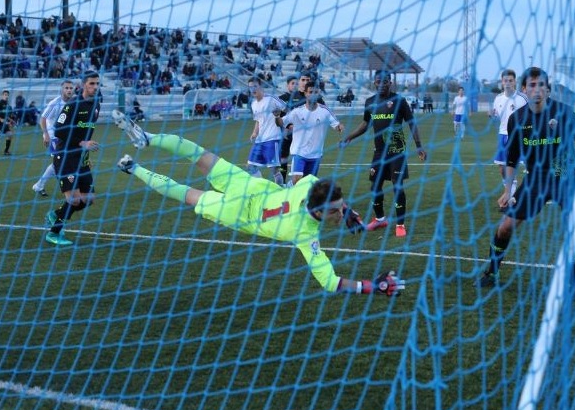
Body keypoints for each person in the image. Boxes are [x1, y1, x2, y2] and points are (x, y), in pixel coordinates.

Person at [110, 109, 405, 297]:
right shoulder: (304, 234)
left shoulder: (313, 185)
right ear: (318, 211)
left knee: (197, 154)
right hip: (238, 213)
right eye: (336, 210)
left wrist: (347, 210)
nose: (340, 214)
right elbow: (330, 282)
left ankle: (148, 138)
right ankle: (133, 167)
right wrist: (371, 286)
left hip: (247, 185)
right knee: (186, 193)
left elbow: (317, 186)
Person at [475, 66, 575, 288]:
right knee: (505, 226)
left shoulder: (564, 112)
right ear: (524, 89)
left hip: (565, 175)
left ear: (548, 89)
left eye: (542, 85)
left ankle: (574, 279)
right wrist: (508, 190)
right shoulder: (516, 120)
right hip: (536, 179)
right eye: (532, 85)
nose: (538, 89)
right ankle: (492, 272)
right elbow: (511, 160)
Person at [340, 69, 427, 239]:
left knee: (397, 186)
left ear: (390, 83)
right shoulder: (370, 102)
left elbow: (412, 123)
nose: (381, 84)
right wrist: (349, 137)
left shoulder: (399, 101)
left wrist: (419, 146)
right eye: (378, 81)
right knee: (375, 187)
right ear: (374, 83)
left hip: (397, 151)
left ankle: (400, 225)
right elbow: (366, 124)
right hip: (379, 152)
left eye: (385, 81)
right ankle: (380, 219)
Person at [44, 72, 102, 246]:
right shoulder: (73, 104)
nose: (95, 87)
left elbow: (87, 131)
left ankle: (56, 214)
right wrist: (82, 142)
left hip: (81, 158)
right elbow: (59, 130)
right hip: (66, 156)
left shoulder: (96, 105)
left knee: (89, 199)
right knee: (74, 199)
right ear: (84, 84)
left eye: (97, 84)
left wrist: (86, 153)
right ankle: (53, 233)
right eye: (91, 83)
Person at [275, 81, 344, 185]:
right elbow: (281, 122)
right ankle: (291, 189)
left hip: (316, 154)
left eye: (316, 92)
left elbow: (336, 124)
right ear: (305, 93)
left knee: (309, 184)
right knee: (297, 181)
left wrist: (340, 127)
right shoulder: (297, 111)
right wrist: (276, 116)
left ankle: (290, 188)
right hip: (299, 152)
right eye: (310, 92)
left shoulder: (325, 111)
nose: (313, 95)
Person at [490, 69, 527, 204]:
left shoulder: (522, 99)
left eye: (510, 80)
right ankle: (511, 189)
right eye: (505, 80)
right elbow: (497, 115)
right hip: (503, 136)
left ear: (515, 82)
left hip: (519, 136)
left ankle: (537, 190)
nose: (508, 83)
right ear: (502, 82)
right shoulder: (498, 99)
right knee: (501, 167)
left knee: (527, 165)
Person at [32, 80, 74, 198]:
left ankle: (39, 186)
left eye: (71, 88)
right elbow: (43, 119)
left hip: (66, 137)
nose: (69, 90)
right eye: (66, 88)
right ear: (62, 90)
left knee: (60, 163)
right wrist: (46, 134)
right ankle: (68, 185)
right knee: (60, 163)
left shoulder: (73, 102)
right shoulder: (55, 103)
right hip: (54, 137)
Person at [247, 76, 286, 185]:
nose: (253, 89)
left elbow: (287, 109)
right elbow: (258, 120)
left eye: (255, 86)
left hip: (272, 139)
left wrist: (284, 122)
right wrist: (254, 133)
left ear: (261, 86)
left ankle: (280, 191)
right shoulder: (253, 104)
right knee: (250, 167)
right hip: (259, 140)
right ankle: (263, 188)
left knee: (275, 170)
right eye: (250, 87)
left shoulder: (271, 99)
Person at [0, 90, 14, 156]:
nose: (6, 96)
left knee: (10, 134)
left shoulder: (7, 104)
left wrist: (10, 120)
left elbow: (5, 114)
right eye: (5, 95)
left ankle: (6, 151)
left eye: (7, 95)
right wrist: (0, 119)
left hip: (4, 123)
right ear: (2, 95)